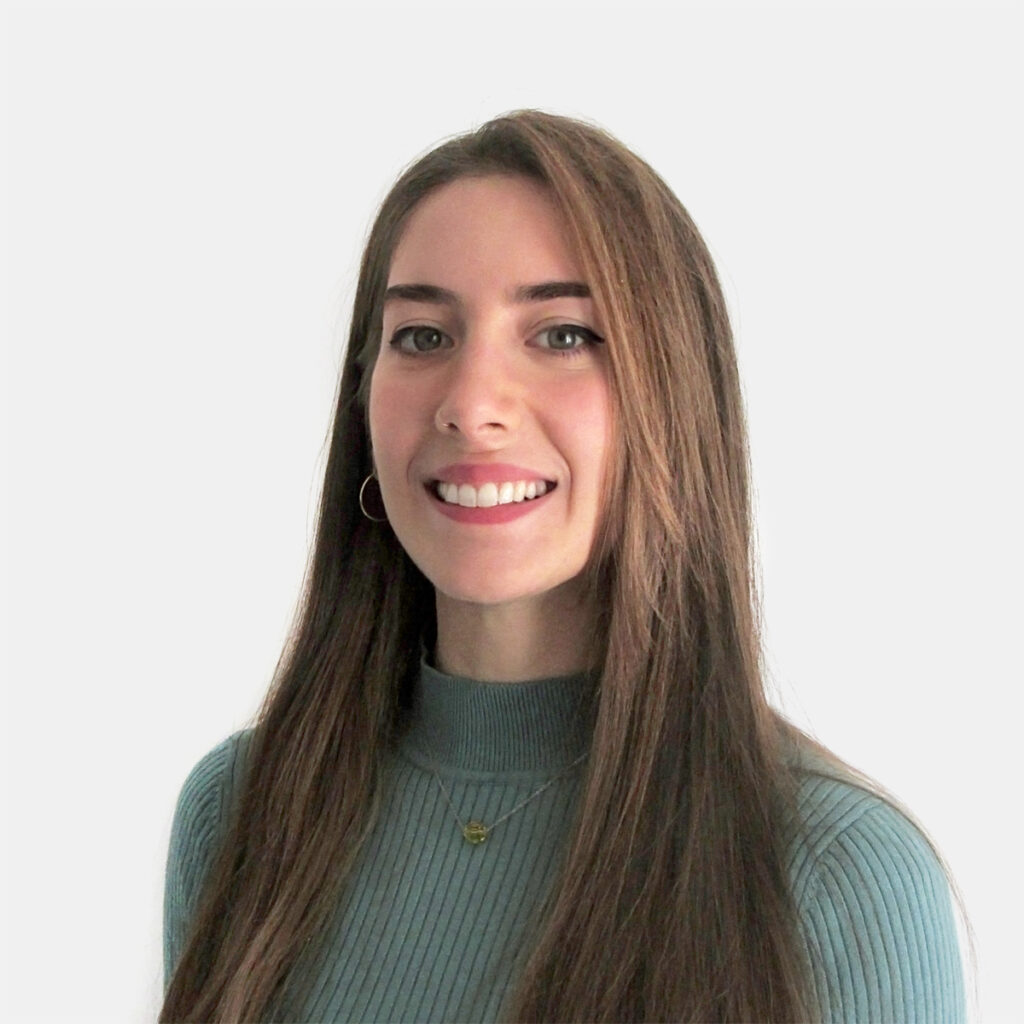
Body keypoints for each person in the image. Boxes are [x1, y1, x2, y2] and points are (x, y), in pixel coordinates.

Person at [159, 110, 966, 1023]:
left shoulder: (836, 874)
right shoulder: (238, 814)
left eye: (562, 335)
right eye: (422, 336)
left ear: (673, 398)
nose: (472, 405)